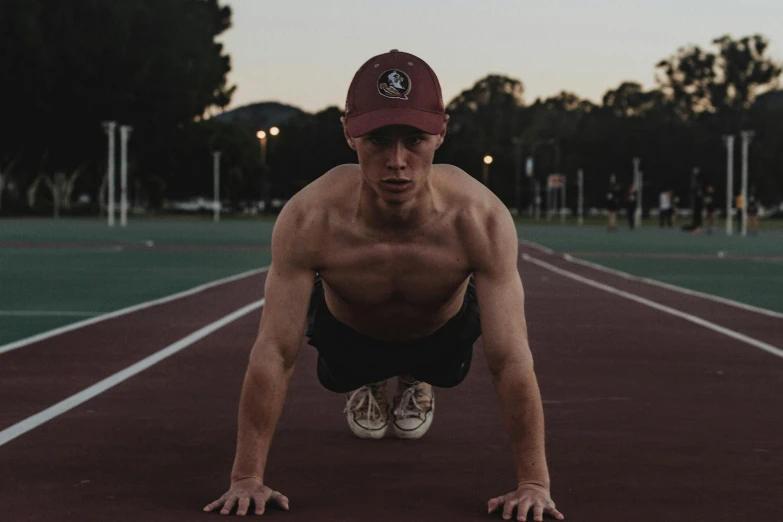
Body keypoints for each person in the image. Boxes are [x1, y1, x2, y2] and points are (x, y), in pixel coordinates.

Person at [203, 50, 564, 521]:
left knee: (450, 365)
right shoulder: (310, 217)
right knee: (338, 374)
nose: (397, 161)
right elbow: (275, 350)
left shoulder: (481, 219)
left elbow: (511, 358)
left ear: (441, 132)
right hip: (350, 336)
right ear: (349, 134)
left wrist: (534, 484)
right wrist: (246, 477)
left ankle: (415, 378)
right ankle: (370, 381)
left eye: (413, 139)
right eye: (377, 139)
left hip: (441, 337)